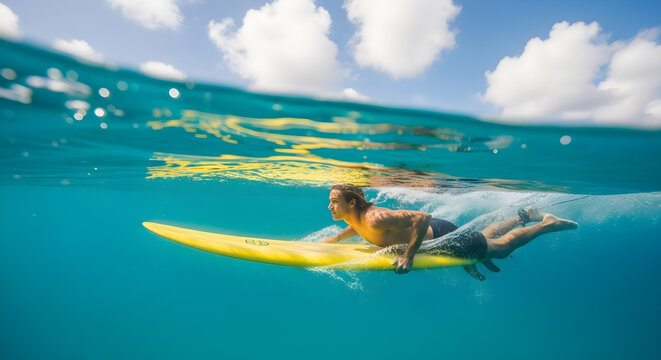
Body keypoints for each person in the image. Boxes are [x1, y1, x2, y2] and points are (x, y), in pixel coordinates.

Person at [323, 184, 578, 278]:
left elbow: (422, 218)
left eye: (334, 201)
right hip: (442, 235)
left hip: (442, 236)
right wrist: (335, 238)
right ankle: (524, 215)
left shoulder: (376, 218)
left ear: (352, 203)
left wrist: (408, 256)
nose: (330, 205)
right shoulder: (357, 218)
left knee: (500, 249)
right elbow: (355, 227)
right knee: (484, 238)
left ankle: (547, 224)